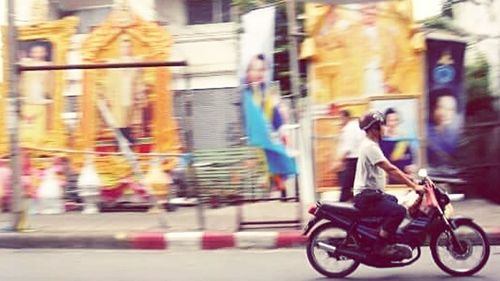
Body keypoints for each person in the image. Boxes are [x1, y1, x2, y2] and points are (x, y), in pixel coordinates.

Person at [353, 111, 424, 255]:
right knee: (399, 211)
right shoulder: (370, 147)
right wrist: (414, 186)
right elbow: (391, 169)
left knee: (394, 201)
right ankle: (381, 246)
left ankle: (383, 235)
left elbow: (393, 168)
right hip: (367, 197)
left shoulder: (372, 145)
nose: (384, 128)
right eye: (381, 126)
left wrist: (412, 180)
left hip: (372, 195)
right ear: (374, 129)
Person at [242, 54, 296, 194]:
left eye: (262, 70)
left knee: (276, 153)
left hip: (265, 137)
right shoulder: (243, 94)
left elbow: (276, 114)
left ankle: (275, 181)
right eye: (255, 69)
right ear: (247, 71)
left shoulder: (267, 93)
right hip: (250, 140)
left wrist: (282, 130)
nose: (259, 73)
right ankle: (272, 180)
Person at [105, 34, 147, 144]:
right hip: (118, 94)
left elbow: (139, 80)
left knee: (130, 115)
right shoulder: (114, 63)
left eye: (128, 47)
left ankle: (128, 135)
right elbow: (109, 82)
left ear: (131, 48)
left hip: (130, 92)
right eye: (123, 47)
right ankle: (119, 137)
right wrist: (108, 96)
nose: (126, 49)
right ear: (119, 48)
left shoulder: (136, 62)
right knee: (118, 117)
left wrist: (141, 93)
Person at [19, 43, 53, 147]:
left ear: (45, 53)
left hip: (41, 93)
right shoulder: (26, 63)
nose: (37, 54)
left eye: (40, 51)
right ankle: (25, 141)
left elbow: (51, 82)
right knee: (26, 122)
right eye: (35, 51)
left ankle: (39, 142)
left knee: (39, 122)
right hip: (28, 94)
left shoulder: (49, 65)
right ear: (30, 53)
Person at [334, 110, 365, 202]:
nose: (339, 121)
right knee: (354, 186)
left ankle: (341, 208)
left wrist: (339, 162)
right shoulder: (356, 126)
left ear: (345, 117)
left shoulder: (349, 129)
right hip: (359, 160)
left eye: (340, 118)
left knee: (346, 187)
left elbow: (347, 148)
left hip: (353, 161)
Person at [427, 90, 462, 168]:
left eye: (451, 109)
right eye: (441, 107)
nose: (445, 113)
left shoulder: (452, 134)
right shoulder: (424, 132)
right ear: (432, 108)